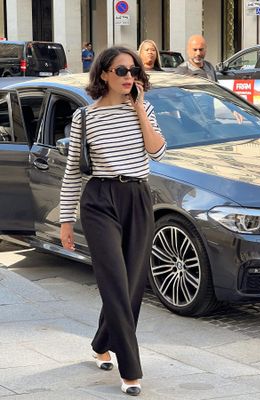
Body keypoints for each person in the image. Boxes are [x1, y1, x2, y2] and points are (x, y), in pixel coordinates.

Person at [59, 46, 166, 396]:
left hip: (136, 197)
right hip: (99, 200)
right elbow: (73, 171)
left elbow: (157, 150)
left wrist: (138, 109)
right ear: (103, 73)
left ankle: (101, 343)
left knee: (133, 284)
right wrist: (64, 220)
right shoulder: (84, 118)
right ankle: (131, 369)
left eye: (133, 70)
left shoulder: (143, 108)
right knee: (115, 283)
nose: (128, 76)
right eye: (121, 71)